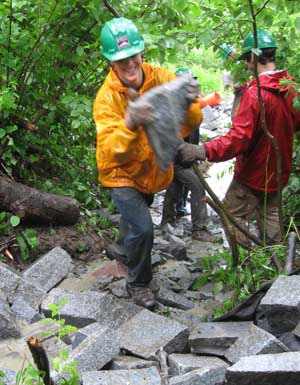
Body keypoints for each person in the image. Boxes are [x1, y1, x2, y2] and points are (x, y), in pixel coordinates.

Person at [93, 17, 202, 309]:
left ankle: (119, 248)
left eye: (132, 57)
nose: (129, 65)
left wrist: (190, 104)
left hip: (151, 168)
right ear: (110, 63)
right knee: (143, 228)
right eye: (120, 60)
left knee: (134, 220)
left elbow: (186, 125)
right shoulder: (106, 99)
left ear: (141, 53)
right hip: (119, 172)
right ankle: (139, 283)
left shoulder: (162, 78)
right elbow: (112, 149)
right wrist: (130, 124)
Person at [177, 29, 300, 248]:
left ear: (253, 57)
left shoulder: (256, 94)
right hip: (278, 174)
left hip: (252, 176)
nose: (246, 65)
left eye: (247, 60)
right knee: (271, 217)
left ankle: (246, 264)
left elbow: (238, 139)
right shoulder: (291, 87)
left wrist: (202, 150)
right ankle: (275, 269)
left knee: (231, 216)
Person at [161, 67, 213, 242]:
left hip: (182, 159)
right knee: (197, 184)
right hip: (172, 159)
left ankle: (168, 220)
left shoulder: (190, 105)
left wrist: (195, 153)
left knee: (175, 186)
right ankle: (199, 228)